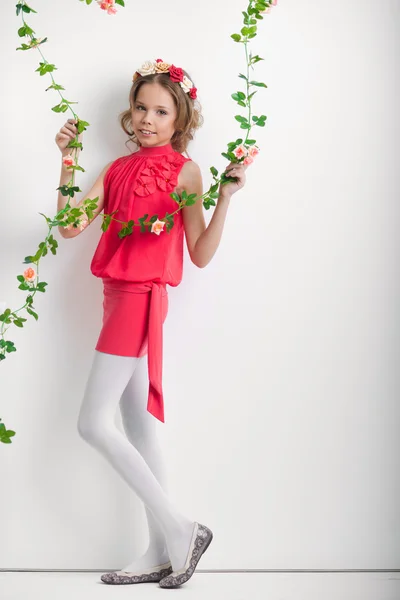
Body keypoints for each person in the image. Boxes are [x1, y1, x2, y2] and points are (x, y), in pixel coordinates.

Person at [55, 60, 247, 588]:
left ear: (179, 118)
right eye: (140, 107)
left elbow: (200, 253)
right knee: (138, 428)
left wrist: (224, 199)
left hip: (141, 298)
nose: (146, 119)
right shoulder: (114, 171)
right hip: (113, 297)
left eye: (160, 111)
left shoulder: (185, 172)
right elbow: (70, 226)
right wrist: (68, 162)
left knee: (91, 424)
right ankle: (159, 550)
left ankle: (182, 529)